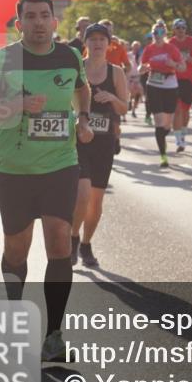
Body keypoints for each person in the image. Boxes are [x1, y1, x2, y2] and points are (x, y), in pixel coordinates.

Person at [0, 0, 94, 361]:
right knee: (16, 250)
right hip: (15, 170)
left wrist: (84, 118)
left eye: (45, 15)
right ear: (19, 24)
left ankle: (54, 336)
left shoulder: (70, 55)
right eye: (31, 16)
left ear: (55, 22)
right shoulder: (4, 59)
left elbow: (82, 89)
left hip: (60, 165)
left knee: (60, 244)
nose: (39, 22)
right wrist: (18, 105)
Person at [71, 23, 128, 268]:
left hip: (104, 142)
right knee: (82, 194)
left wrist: (113, 98)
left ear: (109, 43)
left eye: (101, 40)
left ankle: (86, 244)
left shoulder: (116, 72)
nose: (97, 44)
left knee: (96, 200)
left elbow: (124, 107)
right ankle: (72, 239)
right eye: (92, 39)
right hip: (78, 140)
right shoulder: (77, 69)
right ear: (85, 43)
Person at [139, 21, 185, 167]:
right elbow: (141, 67)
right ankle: (163, 156)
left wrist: (174, 65)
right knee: (159, 122)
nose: (158, 36)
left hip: (170, 85)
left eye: (161, 33)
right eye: (155, 33)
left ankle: (164, 135)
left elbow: (183, 67)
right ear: (152, 35)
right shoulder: (149, 49)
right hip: (153, 85)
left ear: (165, 34)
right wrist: (144, 68)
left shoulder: (171, 48)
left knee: (167, 124)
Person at [168, 18, 192, 153]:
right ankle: (179, 140)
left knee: (186, 110)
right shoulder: (171, 43)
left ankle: (183, 134)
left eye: (183, 27)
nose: (180, 30)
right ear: (174, 29)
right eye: (178, 27)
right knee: (177, 109)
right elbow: (166, 59)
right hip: (174, 79)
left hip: (189, 79)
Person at [127, 40, 144, 116]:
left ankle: (134, 109)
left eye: (137, 46)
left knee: (139, 93)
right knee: (128, 93)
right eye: (135, 46)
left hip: (137, 77)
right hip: (129, 77)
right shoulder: (128, 55)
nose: (136, 48)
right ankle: (129, 102)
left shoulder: (141, 56)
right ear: (132, 47)